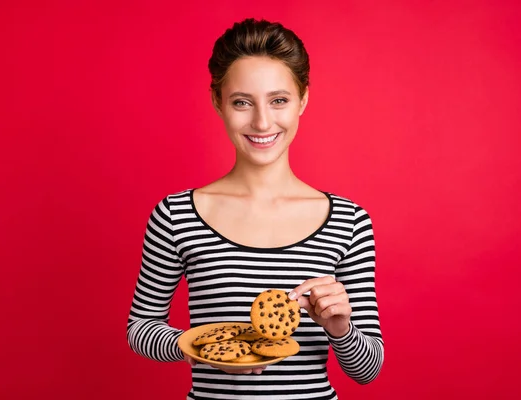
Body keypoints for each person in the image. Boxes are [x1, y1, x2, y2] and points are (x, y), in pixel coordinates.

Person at [127, 17, 384, 399]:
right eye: (242, 102)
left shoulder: (349, 221)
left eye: (279, 100)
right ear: (218, 102)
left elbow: (368, 370)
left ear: (303, 100)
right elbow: (141, 328)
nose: (262, 121)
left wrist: (341, 329)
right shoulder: (176, 214)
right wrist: (201, 347)